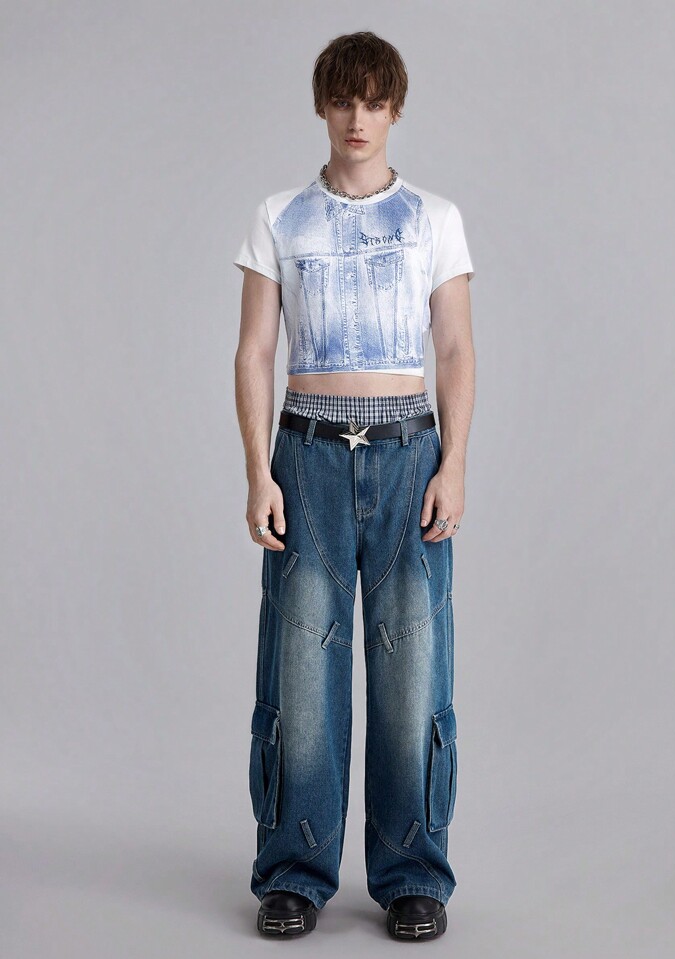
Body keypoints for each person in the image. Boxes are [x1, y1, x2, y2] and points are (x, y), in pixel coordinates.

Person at [233, 30, 474, 940]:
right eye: (343, 100)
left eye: (374, 102)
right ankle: (294, 872)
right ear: (322, 107)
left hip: (410, 453)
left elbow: (455, 348)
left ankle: (414, 873)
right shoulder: (279, 217)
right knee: (302, 669)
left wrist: (455, 462)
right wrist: (257, 470)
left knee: (412, 667)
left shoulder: (435, 218)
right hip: (307, 454)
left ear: (395, 110)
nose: (357, 118)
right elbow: (255, 352)